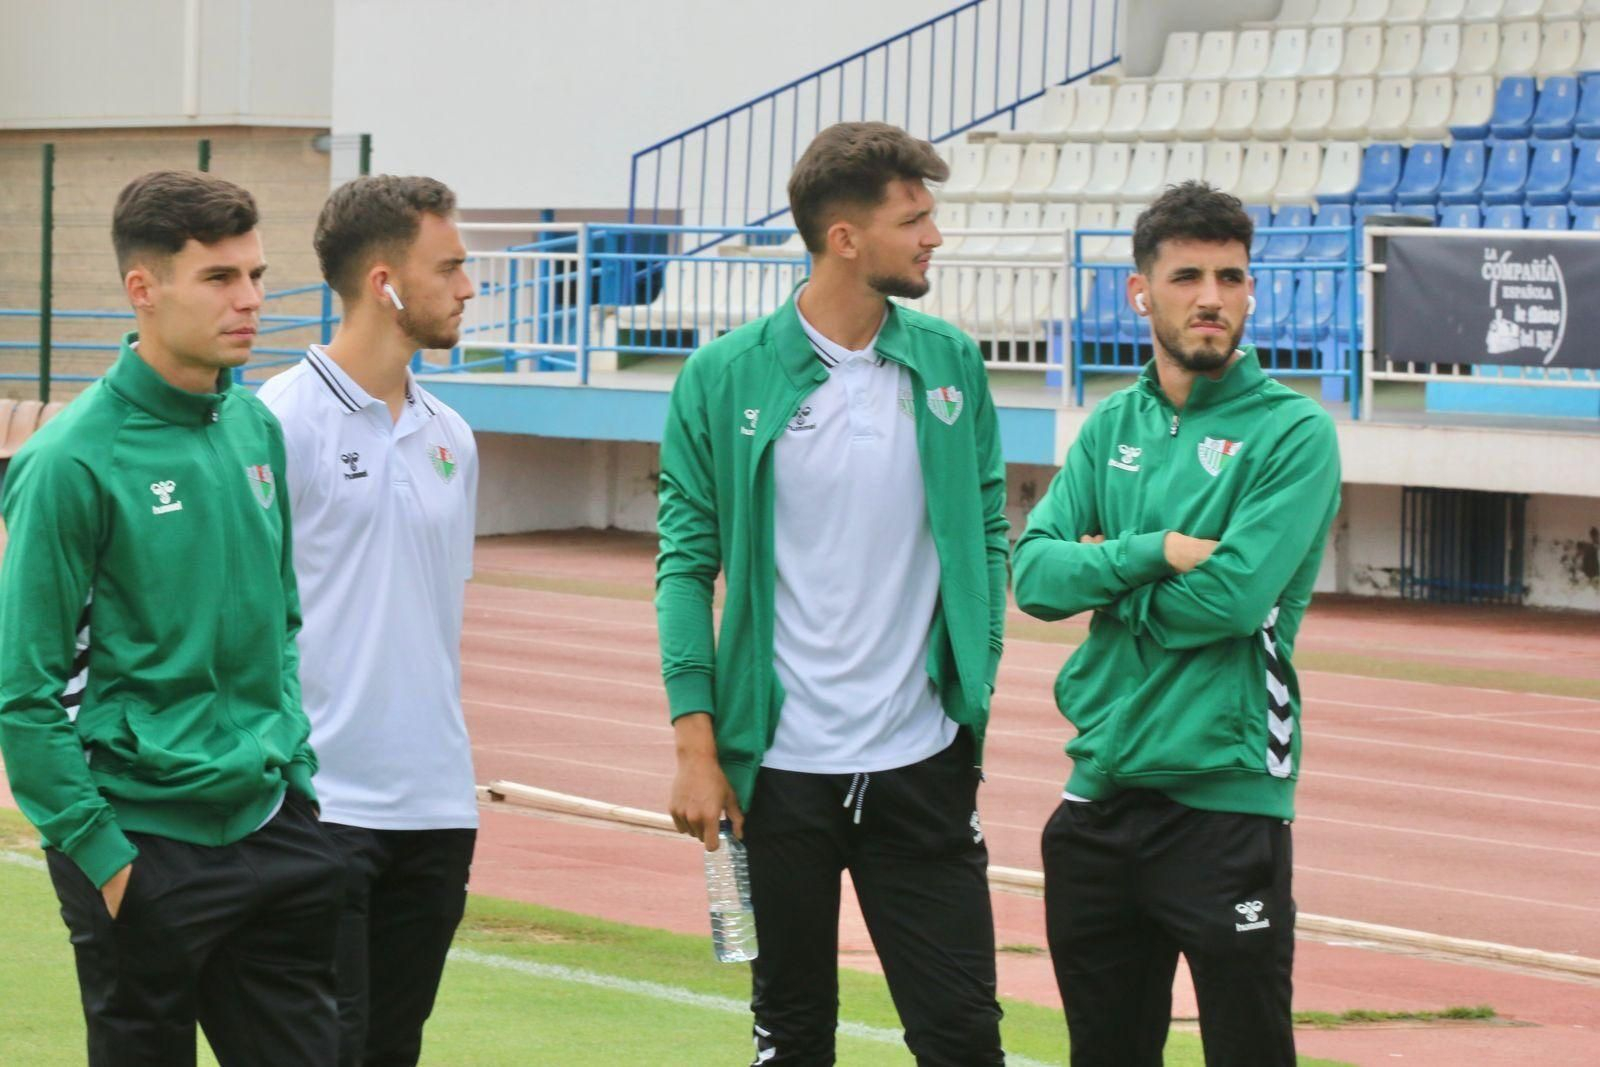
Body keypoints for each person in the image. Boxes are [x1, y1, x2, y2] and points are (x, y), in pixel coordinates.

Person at [657, 121, 1010, 1066]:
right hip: (778, 777)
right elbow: (686, 567)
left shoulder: (949, 364)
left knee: (965, 1036)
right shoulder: (721, 376)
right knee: (794, 1035)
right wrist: (696, 740)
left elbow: (986, 532)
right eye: (914, 220)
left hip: (922, 762)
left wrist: (973, 681)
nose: (934, 237)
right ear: (844, 238)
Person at [0, 170, 341, 1066]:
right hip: (141, 844)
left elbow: (282, 627)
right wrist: (103, 856)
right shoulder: (69, 460)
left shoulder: (255, 430)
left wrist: (294, 771)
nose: (252, 301)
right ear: (142, 289)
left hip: (273, 825)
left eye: (257, 275)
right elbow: (24, 693)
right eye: (221, 278)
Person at [1011, 180, 1342, 1066]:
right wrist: (1154, 548)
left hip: (1226, 798)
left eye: (1232, 277)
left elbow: (1230, 602)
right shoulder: (1110, 423)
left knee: (1249, 1050)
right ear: (1140, 291)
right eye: (1188, 275)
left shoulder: (1293, 433)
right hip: (1100, 796)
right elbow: (1034, 576)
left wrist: (1104, 571)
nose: (1211, 298)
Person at [256, 175, 478, 1067]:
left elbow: (436, 610)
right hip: (319, 806)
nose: (468, 287)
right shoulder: (277, 421)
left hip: (436, 806)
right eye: (451, 267)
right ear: (384, 282)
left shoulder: (453, 434)